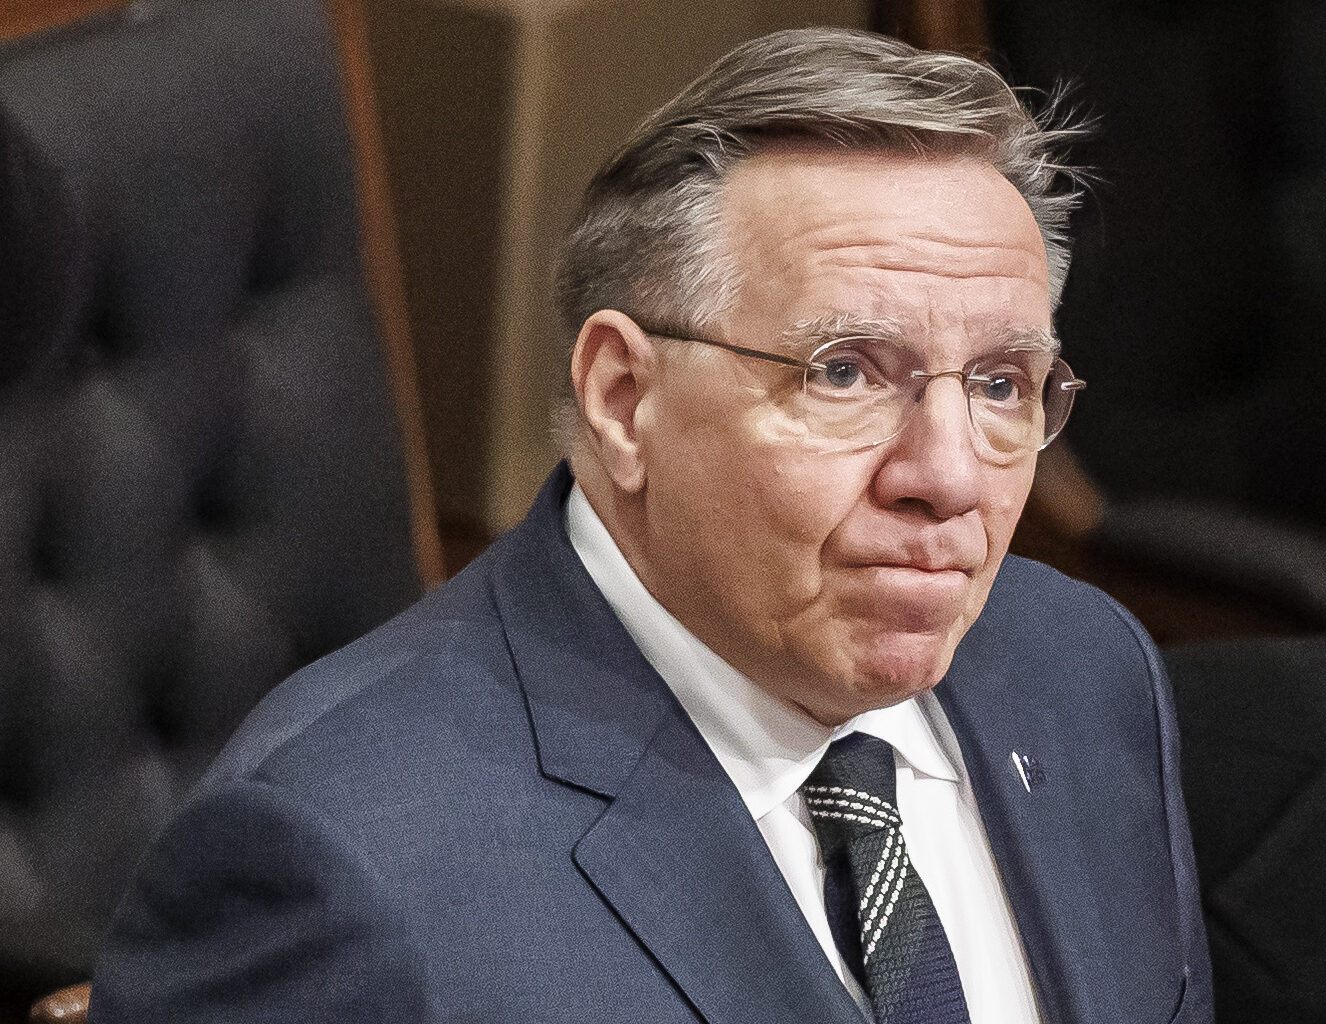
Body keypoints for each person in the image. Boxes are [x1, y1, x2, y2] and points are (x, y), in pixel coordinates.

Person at [88, 27, 1211, 1024]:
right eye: (846, 373)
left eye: (1004, 384)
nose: (948, 475)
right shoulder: (341, 864)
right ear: (625, 399)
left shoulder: (1083, 669)